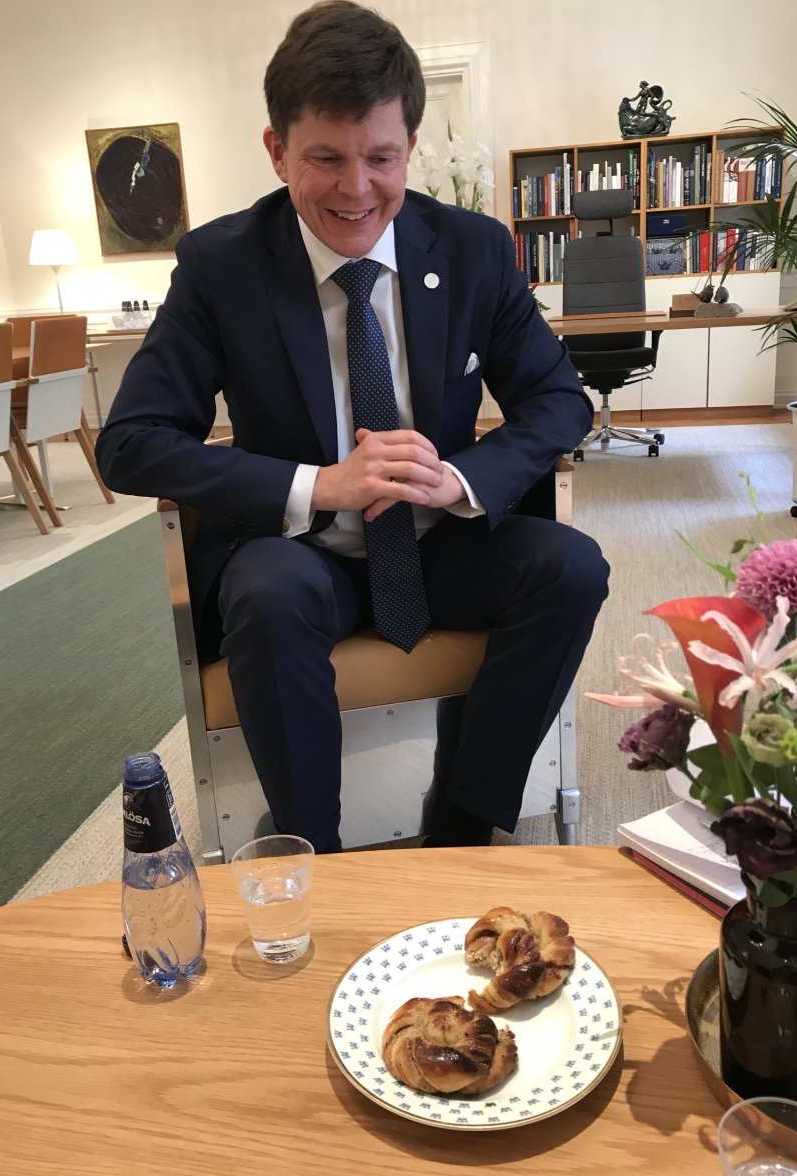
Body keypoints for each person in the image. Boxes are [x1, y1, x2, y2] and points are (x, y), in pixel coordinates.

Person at [96, 0, 609, 854]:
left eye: (381, 158)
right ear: (277, 150)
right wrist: (319, 485)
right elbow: (130, 442)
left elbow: (560, 400)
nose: (356, 189)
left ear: (411, 146)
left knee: (572, 567)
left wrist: (461, 478)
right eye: (325, 158)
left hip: (442, 544)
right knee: (267, 594)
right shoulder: (221, 267)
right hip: (304, 555)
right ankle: (315, 858)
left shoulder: (473, 249)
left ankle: (464, 826)